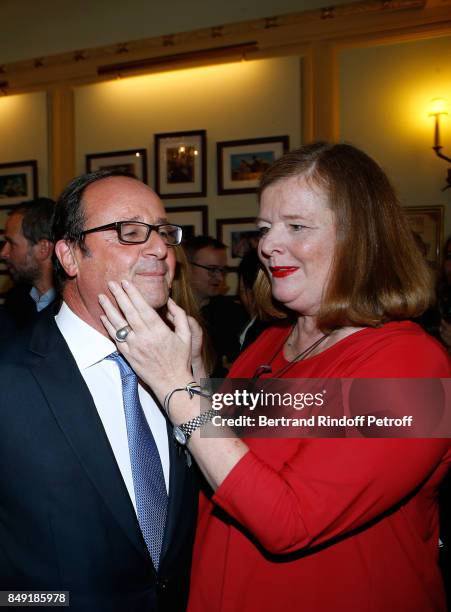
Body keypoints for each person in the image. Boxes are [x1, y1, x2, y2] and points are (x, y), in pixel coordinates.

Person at [99, 142, 451, 611]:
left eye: (297, 227)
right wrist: (198, 376)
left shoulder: (412, 364)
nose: (267, 245)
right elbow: (229, 451)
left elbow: (289, 521)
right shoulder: (270, 342)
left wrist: (174, 385)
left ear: (361, 237)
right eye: (265, 228)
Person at [0, 169, 199, 611]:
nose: (160, 249)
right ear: (69, 257)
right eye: (129, 232)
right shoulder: (9, 378)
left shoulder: (185, 362)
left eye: (164, 232)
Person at [184, 235, 246, 376]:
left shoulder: (235, 314)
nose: (219, 277)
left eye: (222, 270)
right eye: (212, 269)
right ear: (187, 267)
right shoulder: (166, 312)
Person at [0, 198, 57, 331]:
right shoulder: (14, 302)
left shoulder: (73, 309)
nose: (3, 253)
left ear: (43, 249)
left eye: (11, 243)